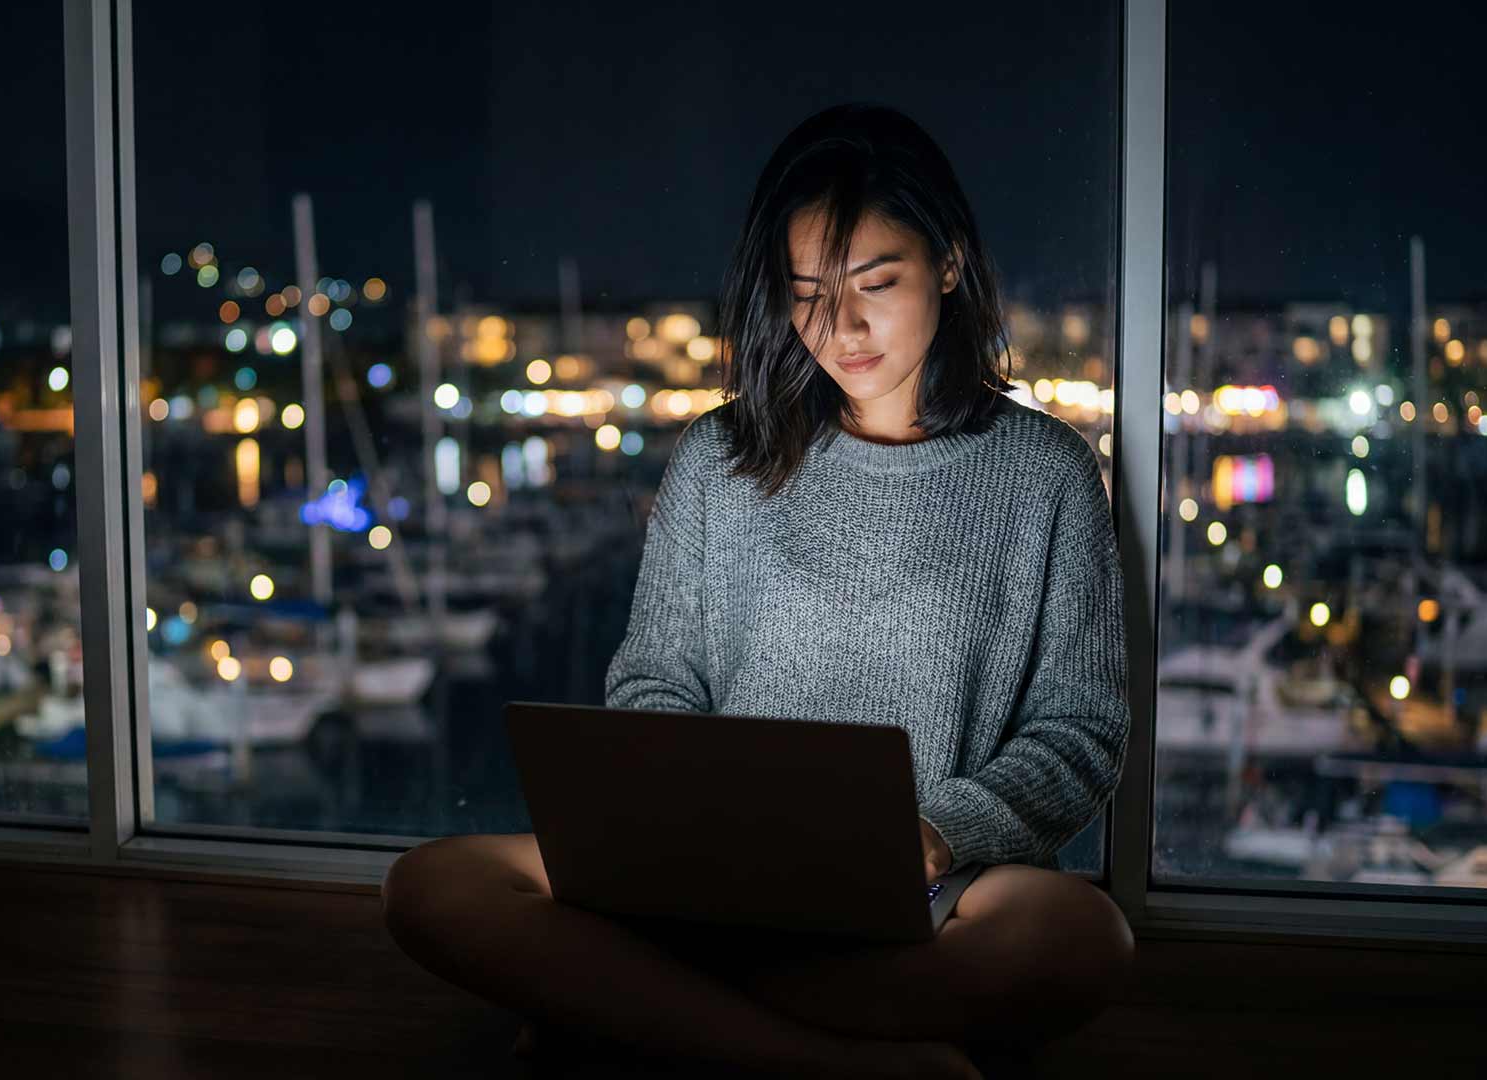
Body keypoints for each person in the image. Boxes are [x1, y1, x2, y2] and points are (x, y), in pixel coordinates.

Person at [382, 102, 1135, 1079]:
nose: (842, 326)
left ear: (948, 263)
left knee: (1081, 936)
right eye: (809, 292)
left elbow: (1081, 727)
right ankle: (832, 1061)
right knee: (432, 887)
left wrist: (941, 833)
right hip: (713, 877)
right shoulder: (720, 455)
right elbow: (655, 675)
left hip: (937, 881)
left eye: (877, 282)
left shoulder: (1049, 473)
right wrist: (676, 818)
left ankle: (635, 1010)